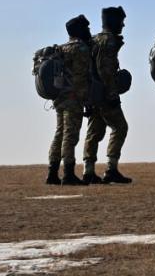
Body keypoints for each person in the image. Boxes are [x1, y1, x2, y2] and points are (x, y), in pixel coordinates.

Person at [82, 6, 131, 185]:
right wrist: (112, 95)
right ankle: (111, 169)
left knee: (94, 132)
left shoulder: (94, 39)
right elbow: (106, 70)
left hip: (93, 94)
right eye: (121, 21)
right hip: (104, 94)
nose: (123, 25)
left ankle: (88, 171)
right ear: (113, 21)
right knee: (120, 127)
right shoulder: (108, 41)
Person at [47, 15, 92, 186]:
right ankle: (68, 174)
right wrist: (86, 100)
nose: (88, 31)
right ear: (79, 30)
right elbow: (81, 77)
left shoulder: (62, 48)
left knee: (60, 133)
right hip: (73, 98)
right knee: (70, 135)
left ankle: (52, 173)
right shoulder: (80, 48)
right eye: (86, 28)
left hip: (59, 97)